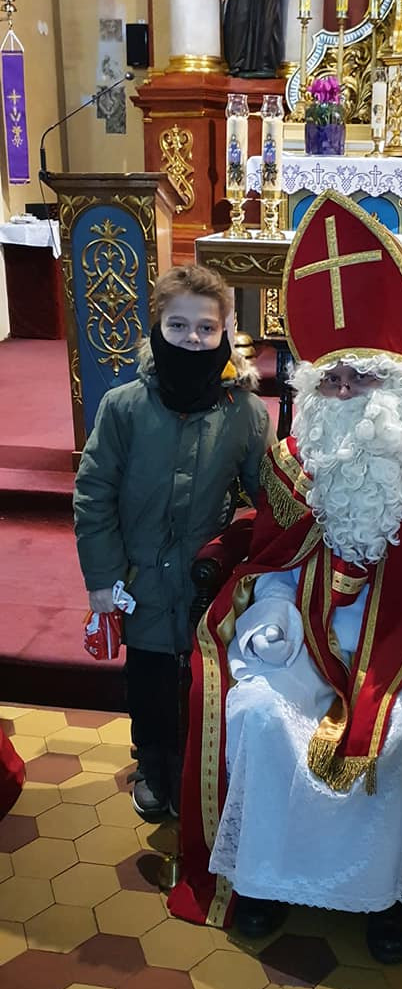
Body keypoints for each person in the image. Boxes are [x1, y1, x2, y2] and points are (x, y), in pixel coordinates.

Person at [170, 195, 402, 963]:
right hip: (305, 638)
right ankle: (265, 877)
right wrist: (268, 614)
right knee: (260, 714)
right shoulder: (294, 463)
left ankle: (398, 897)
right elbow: (271, 557)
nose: (343, 395)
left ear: (400, 386)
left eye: (361, 379)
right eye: (330, 382)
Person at [73, 264, 273, 822]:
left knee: (202, 683)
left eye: (206, 328)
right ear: (157, 326)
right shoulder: (124, 407)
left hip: (204, 584)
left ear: (226, 330)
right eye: (178, 326)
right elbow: (94, 495)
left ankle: (195, 771)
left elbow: (269, 498)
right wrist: (102, 579)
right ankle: (153, 765)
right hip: (138, 581)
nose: (192, 338)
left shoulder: (245, 414)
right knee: (149, 681)